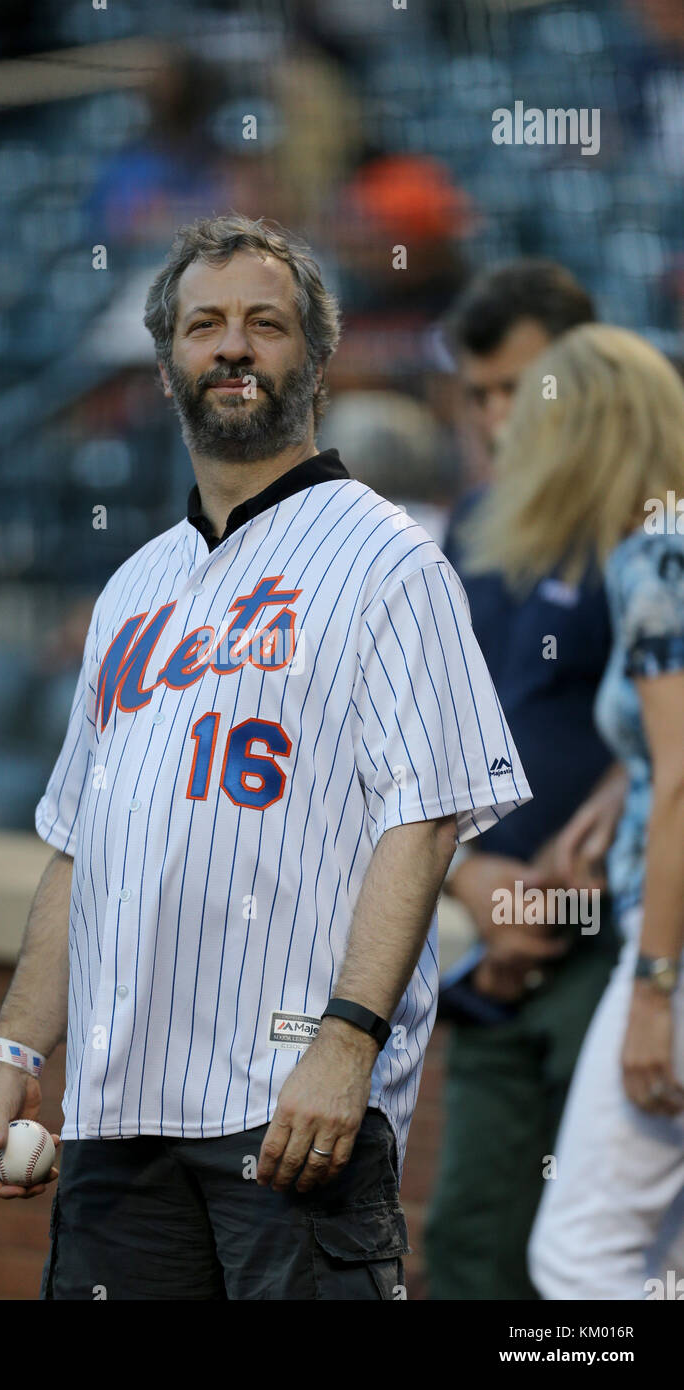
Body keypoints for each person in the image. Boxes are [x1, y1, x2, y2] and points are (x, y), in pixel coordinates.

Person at [0, 213, 531, 1300]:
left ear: (311, 357)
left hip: (288, 1112)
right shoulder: (134, 586)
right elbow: (78, 850)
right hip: (116, 1114)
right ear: (169, 358)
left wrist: (346, 1041)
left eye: (263, 324)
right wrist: (15, 1049)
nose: (231, 346)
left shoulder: (387, 560)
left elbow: (419, 823)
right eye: (204, 324)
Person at [457, 324, 684, 1300]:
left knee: (576, 1259)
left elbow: (682, 782)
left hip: (660, 943)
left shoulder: (649, 557)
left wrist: (652, 985)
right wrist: (613, 793)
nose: (510, 445)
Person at [424, 261, 626, 1300]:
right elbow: (428, 743)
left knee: (594, 1264)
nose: (499, 414)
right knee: (469, 1246)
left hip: (617, 944)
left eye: (521, 386)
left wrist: (591, 838)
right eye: (480, 392)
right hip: (494, 951)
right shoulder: (467, 527)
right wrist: (467, 880)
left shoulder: (645, 520)